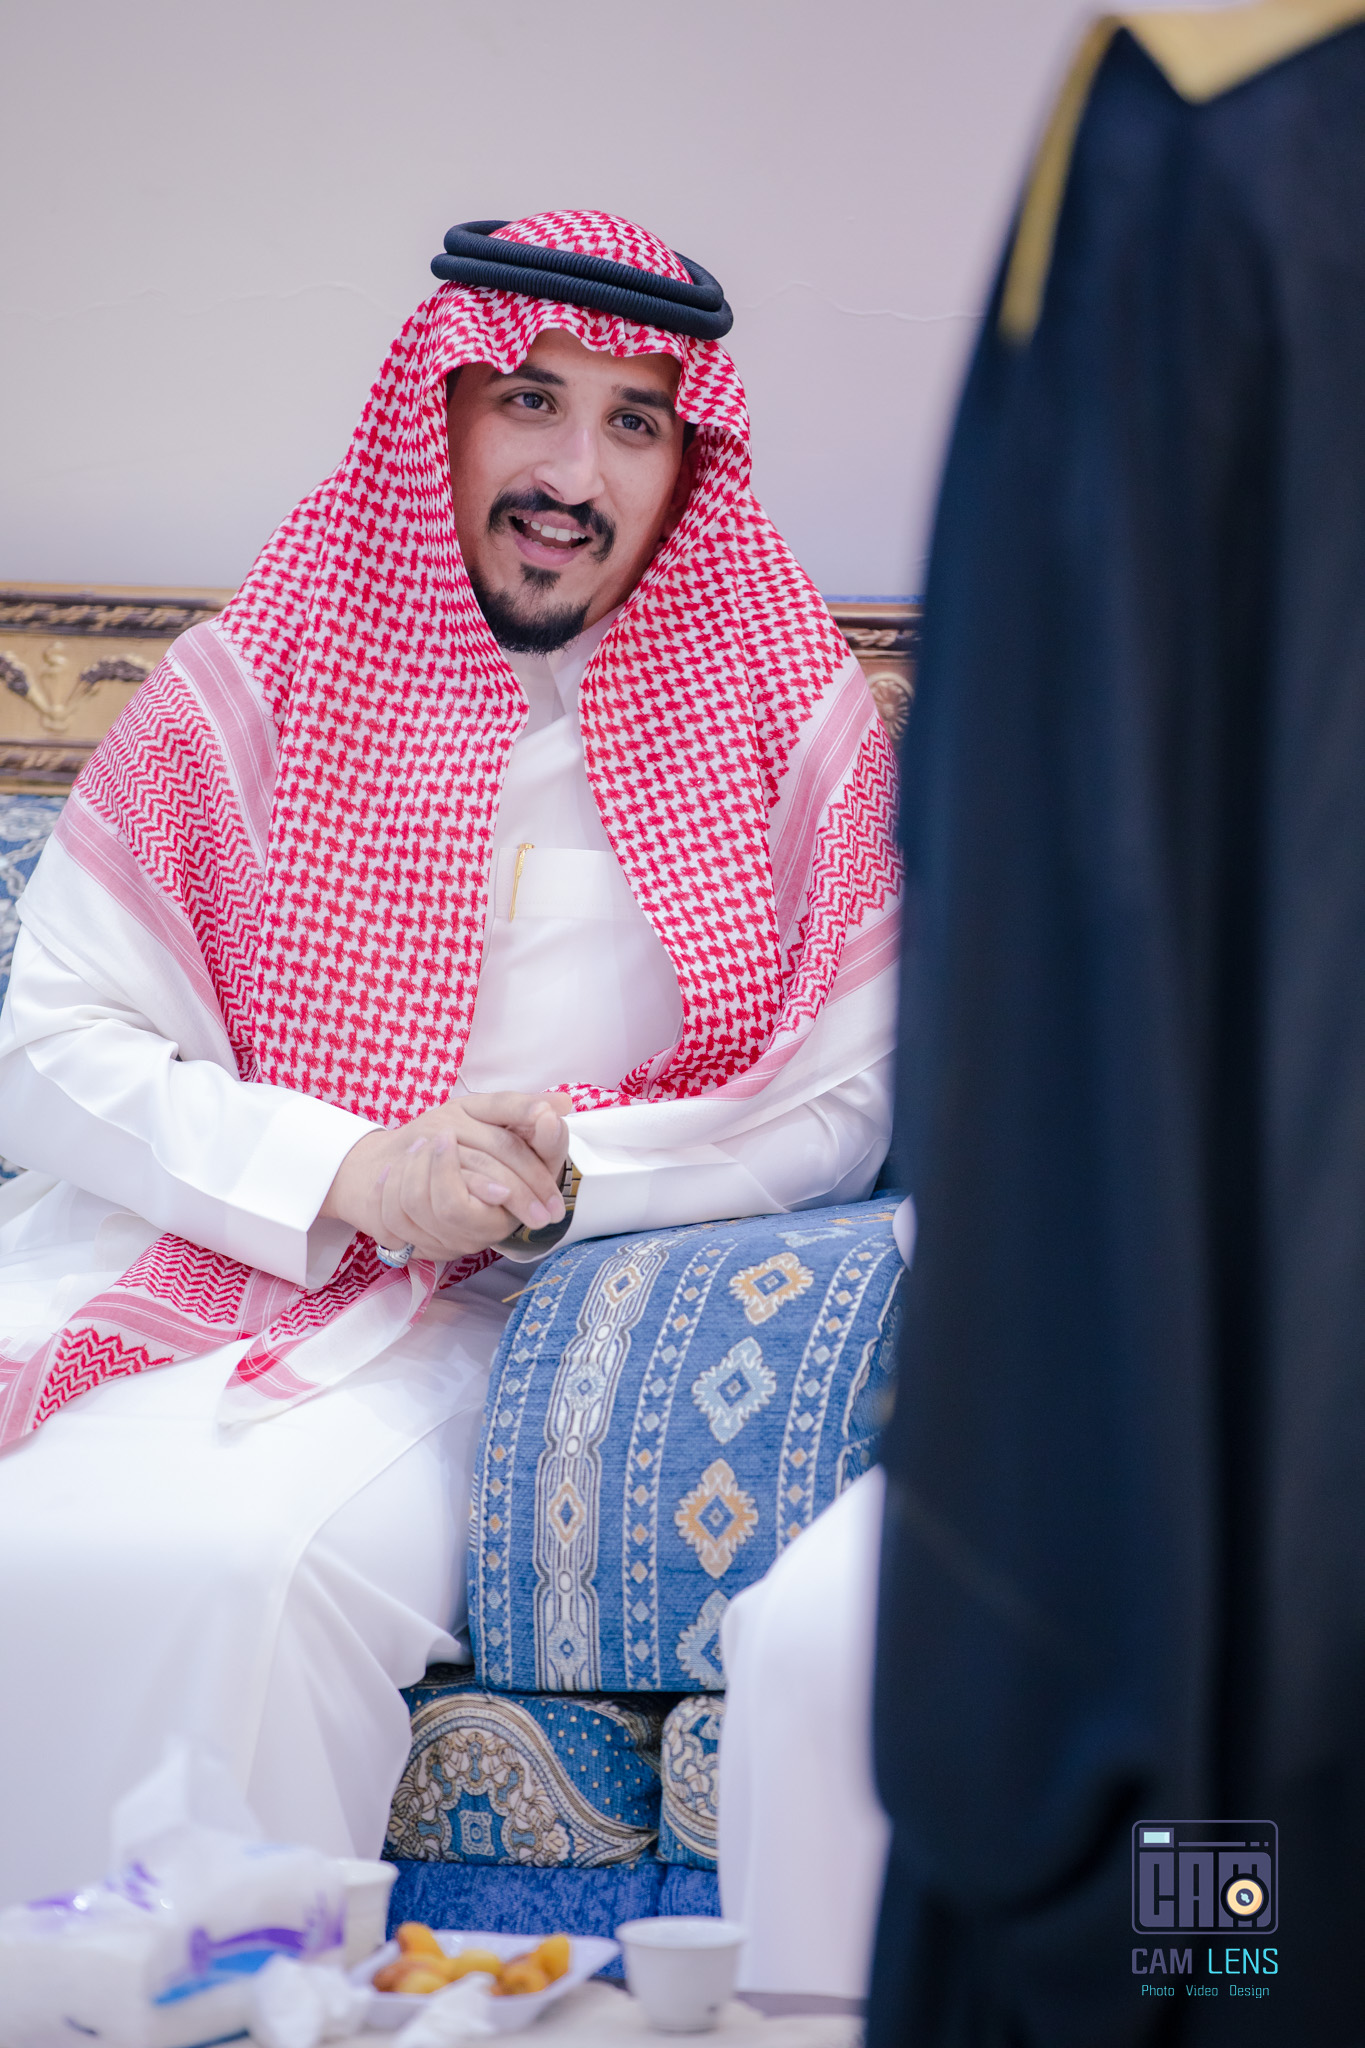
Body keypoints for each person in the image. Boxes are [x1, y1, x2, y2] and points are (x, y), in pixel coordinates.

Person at [0, 210, 901, 1906]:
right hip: (157, 1257)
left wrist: (556, 1180)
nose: (574, 472)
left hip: (488, 1319)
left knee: (216, 1565)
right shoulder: (258, 679)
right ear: (441, 413)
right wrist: (351, 1170)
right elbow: (48, 1046)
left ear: (685, 461)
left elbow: (839, 1099)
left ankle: (208, 1996)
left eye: (633, 422)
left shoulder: (784, 720)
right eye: (530, 401)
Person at [719, 1, 1365, 2037]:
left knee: (1205, 1916)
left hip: (1254, 1556)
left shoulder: (1221, 133)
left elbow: (1058, 973)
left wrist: (1075, 1845)